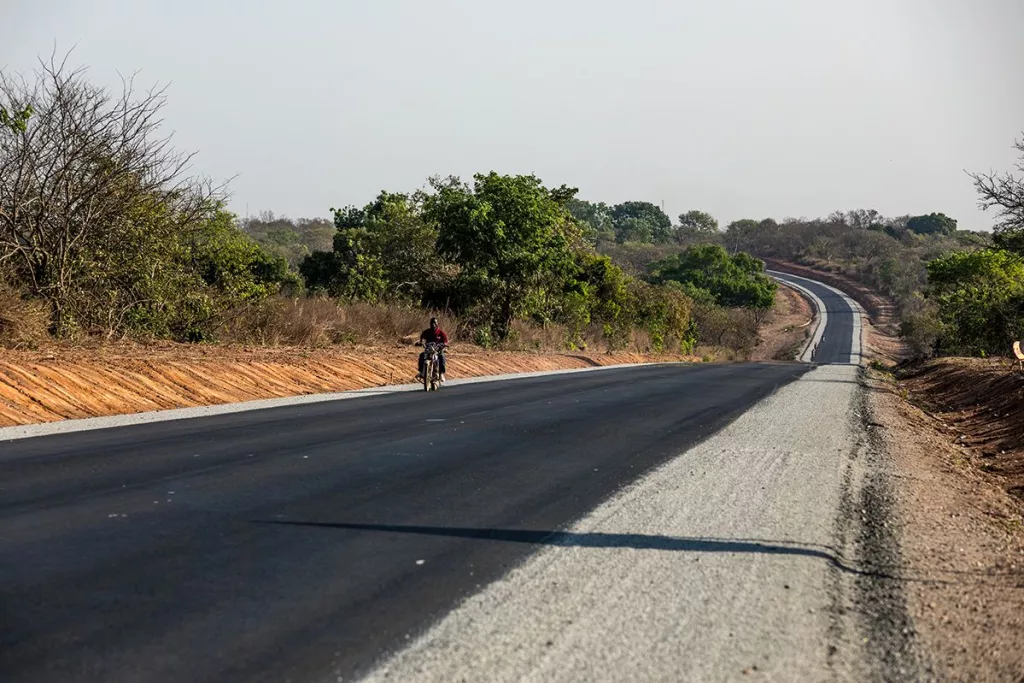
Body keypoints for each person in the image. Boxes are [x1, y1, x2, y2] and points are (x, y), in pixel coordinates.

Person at [416, 317, 448, 381]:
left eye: (435, 323)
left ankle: (441, 373)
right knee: (422, 355)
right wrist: (420, 342)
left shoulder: (441, 333)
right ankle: (421, 371)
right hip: (428, 349)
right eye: (432, 323)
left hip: (437, 350)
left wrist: (444, 345)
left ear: (437, 324)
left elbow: (445, 341)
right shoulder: (426, 332)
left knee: (442, 357)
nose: (433, 324)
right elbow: (422, 338)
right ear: (430, 324)